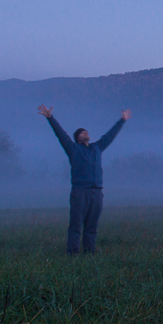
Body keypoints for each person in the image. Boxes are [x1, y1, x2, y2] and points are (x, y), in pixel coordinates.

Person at [38, 104, 131, 255]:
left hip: (97, 192)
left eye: (86, 131)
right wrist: (50, 118)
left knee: (91, 227)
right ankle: (73, 254)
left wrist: (122, 120)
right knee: (76, 226)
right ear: (77, 138)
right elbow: (61, 134)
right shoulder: (73, 149)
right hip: (80, 191)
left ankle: (89, 253)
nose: (85, 132)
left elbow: (109, 136)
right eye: (82, 132)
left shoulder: (97, 148)